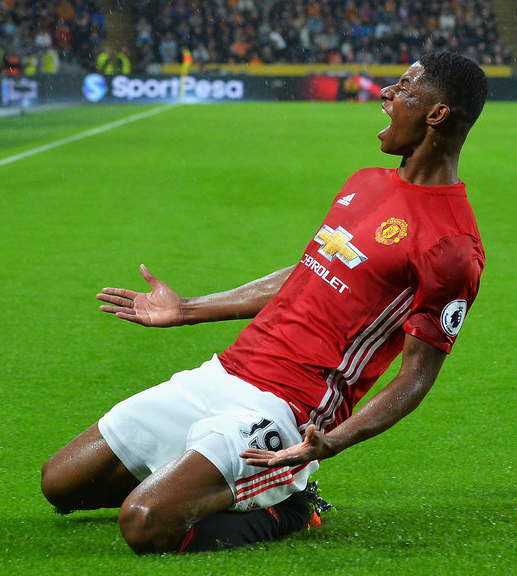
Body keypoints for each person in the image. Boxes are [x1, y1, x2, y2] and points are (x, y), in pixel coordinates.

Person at [41, 51, 489, 554]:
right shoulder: (366, 182)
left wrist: (334, 440)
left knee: (145, 523)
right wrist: (187, 309)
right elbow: (306, 275)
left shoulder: (451, 247)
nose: (386, 95)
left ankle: (293, 506)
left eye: (404, 89)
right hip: (228, 371)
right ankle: (213, 478)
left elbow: (416, 376)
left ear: (437, 115)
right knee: (59, 483)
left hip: (290, 408)